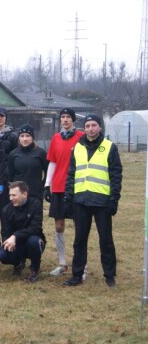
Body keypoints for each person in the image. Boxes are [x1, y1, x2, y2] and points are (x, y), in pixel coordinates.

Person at [63, 114, 122, 287]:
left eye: (93, 125)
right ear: (84, 128)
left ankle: (110, 276)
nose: (90, 128)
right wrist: (68, 198)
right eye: (87, 125)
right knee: (79, 240)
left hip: (102, 201)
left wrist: (114, 199)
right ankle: (77, 274)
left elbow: (116, 175)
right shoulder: (77, 148)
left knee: (106, 240)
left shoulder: (110, 147)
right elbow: (71, 175)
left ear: (100, 127)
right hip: (81, 201)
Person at [44, 108, 84, 277]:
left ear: (73, 120)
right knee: (59, 226)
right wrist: (47, 184)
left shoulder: (81, 137)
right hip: (59, 188)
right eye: (63, 117)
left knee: (79, 227)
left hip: (76, 188)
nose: (65, 120)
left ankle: (82, 265)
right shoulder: (55, 138)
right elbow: (52, 162)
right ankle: (62, 264)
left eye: (68, 117)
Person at [0, 181, 46, 283]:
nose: (11, 198)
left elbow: (35, 228)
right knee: (3, 256)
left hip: (34, 239)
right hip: (15, 243)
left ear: (24, 194)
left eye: (14, 195)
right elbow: (5, 231)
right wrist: (7, 242)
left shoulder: (36, 204)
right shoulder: (6, 210)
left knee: (33, 242)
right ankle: (18, 263)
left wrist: (15, 236)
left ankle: (34, 269)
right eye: (10, 195)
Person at [0, 107, 18, 221]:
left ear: (6, 118)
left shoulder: (12, 136)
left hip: (5, 178)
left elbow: (15, 158)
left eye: (2, 116)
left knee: (5, 212)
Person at [8, 124, 48, 203]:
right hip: (18, 194)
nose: (24, 139)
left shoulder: (41, 153)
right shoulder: (13, 154)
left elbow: (48, 172)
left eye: (27, 136)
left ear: (32, 137)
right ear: (18, 138)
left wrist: (42, 186)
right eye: (22, 136)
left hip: (35, 194)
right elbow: (10, 176)